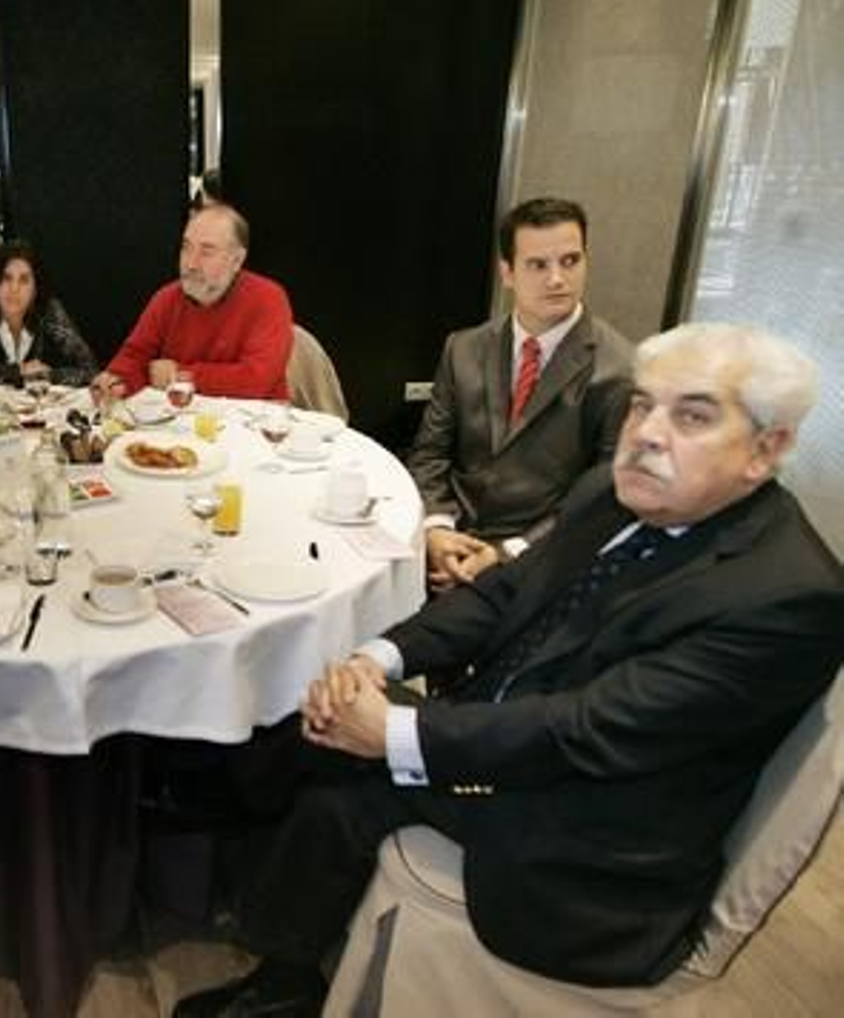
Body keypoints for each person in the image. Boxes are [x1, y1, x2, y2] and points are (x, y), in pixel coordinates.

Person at [175, 323, 843, 1016]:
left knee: (341, 800)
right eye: (643, 404)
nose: (646, 433)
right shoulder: (612, 492)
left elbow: (589, 729)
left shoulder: (787, 596)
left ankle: (281, 983)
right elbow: (500, 594)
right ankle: (254, 913)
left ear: (768, 449)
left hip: (594, 835)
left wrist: (398, 734)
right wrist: (378, 658)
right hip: (508, 728)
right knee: (299, 715)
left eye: (694, 415)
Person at [409, 197, 633, 592]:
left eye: (570, 261)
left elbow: (603, 495)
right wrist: (437, 529)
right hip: (445, 538)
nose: (557, 279)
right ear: (507, 272)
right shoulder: (463, 347)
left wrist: (506, 552)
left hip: (539, 558)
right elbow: (430, 452)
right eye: (538, 264)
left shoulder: (620, 369)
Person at [92, 203, 293, 401]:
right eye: (186, 248)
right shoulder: (167, 298)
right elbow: (135, 355)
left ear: (237, 260)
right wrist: (116, 381)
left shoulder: (268, 298)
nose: (190, 264)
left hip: (256, 421)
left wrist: (182, 376)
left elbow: (256, 380)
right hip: (185, 419)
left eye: (206, 252)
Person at [0, 239, 98, 392]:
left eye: (24, 280)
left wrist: (47, 375)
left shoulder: (50, 312)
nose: (14, 289)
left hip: (42, 412)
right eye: (6, 278)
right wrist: (14, 372)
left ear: (36, 288)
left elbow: (91, 372)